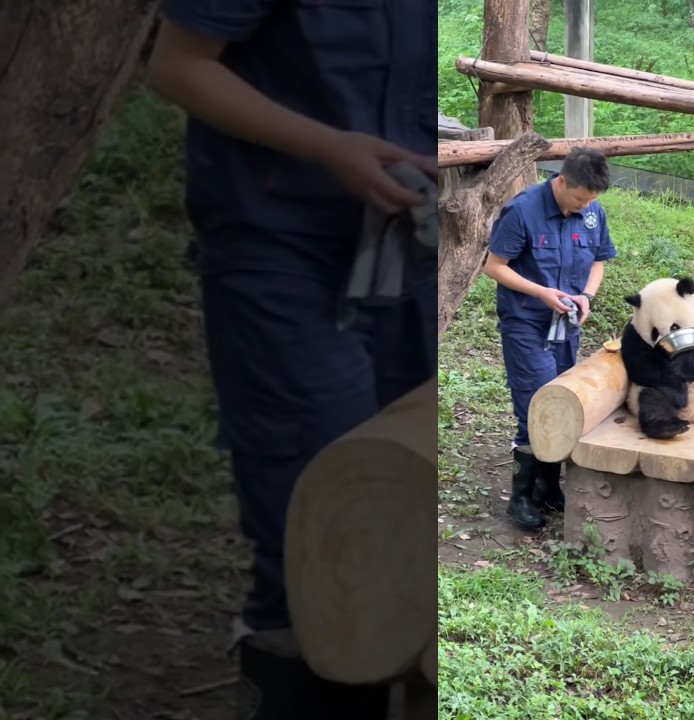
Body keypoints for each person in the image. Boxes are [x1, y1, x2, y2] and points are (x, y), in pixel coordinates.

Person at [145, 3, 437, 717]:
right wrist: (326, 146)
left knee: (415, 501)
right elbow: (177, 65)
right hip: (281, 242)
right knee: (318, 506)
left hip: (418, 243)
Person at [483, 149, 616, 530]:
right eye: (579, 198)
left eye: (591, 200)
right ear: (561, 181)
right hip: (527, 324)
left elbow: (599, 259)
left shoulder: (593, 211)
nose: (584, 206)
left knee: (561, 404)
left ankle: (548, 486)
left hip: (566, 326)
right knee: (535, 403)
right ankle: (521, 497)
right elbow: (495, 266)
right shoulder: (522, 211)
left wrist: (587, 296)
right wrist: (542, 292)